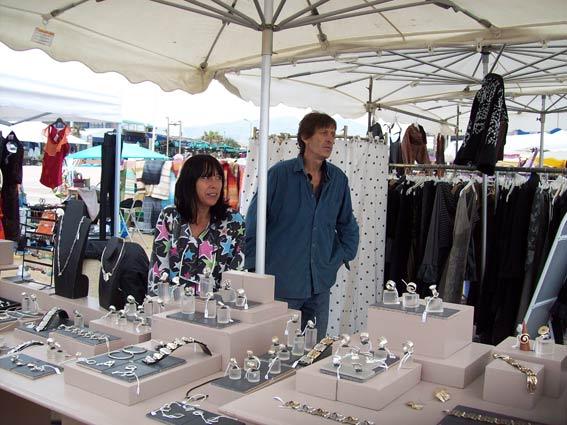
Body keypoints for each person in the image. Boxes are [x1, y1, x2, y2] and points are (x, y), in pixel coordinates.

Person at [245, 112, 359, 339]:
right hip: (281, 285)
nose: (330, 140)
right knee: (278, 352)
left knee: (314, 355)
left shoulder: (338, 180)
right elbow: (254, 222)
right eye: (324, 133)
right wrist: (254, 270)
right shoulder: (279, 175)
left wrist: (339, 257)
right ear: (305, 137)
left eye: (333, 134)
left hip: (319, 287)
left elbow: (348, 224)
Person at [148, 154, 245, 295]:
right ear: (189, 182)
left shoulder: (233, 221)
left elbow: (237, 272)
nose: (214, 184)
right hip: (170, 307)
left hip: (216, 309)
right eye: (206, 178)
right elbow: (158, 270)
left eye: (218, 178)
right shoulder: (170, 216)